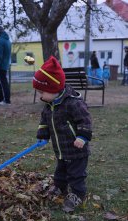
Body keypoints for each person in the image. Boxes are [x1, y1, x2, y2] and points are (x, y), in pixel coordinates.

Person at [33, 56, 92, 213]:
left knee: (76, 175)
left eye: (41, 91)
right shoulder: (49, 105)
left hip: (76, 149)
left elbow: (85, 121)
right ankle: (60, 188)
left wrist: (82, 137)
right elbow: (44, 121)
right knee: (60, 173)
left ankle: (77, 194)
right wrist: (42, 135)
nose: (40, 96)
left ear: (53, 89)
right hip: (61, 149)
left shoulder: (73, 103)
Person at [0, 26, 11, 105]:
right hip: (5, 64)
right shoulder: (8, 41)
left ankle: (6, 100)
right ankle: (0, 99)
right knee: (3, 82)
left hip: (1, 65)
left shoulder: (0, 41)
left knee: (2, 83)